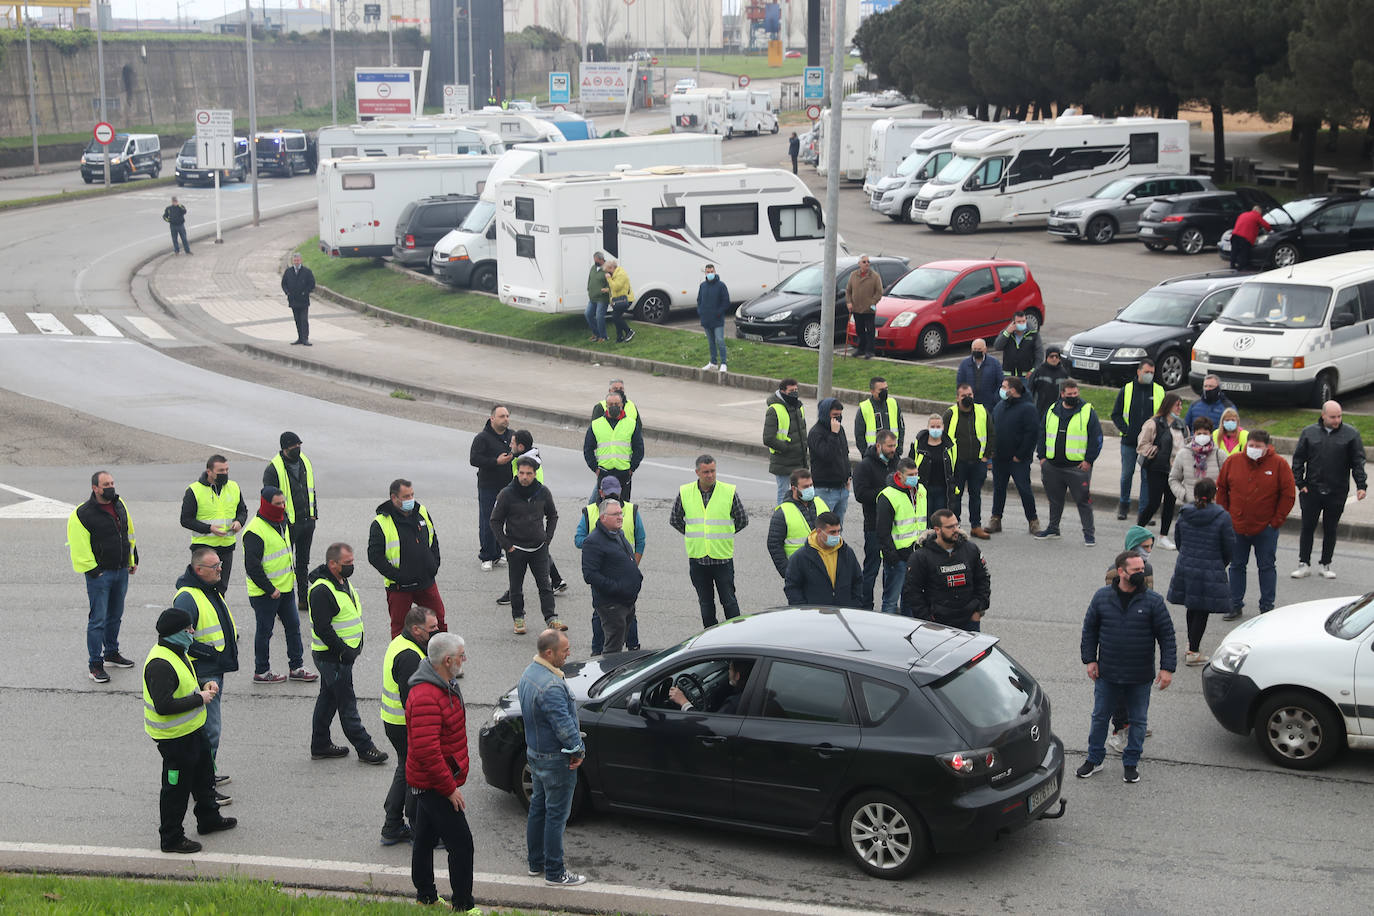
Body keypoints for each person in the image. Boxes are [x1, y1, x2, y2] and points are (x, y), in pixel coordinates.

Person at [1076, 551, 1176, 784]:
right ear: (1121, 572)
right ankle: (1094, 759)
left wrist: (1167, 668)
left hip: (1139, 676)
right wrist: (1090, 660)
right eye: (1136, 571)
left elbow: (1167, 636)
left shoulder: (1154, 601)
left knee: (1139, 721)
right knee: (1100, 717)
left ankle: (1131, 763)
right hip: (1107, 673)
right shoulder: (1102, 597)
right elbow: (1089, 630)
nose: (1141, 574)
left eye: (1143, 570)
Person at [143, 606, 236, 853]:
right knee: (176, 790)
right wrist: (200, 699)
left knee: (204, 777)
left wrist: (204, 685)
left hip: (193, 730)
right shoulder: (160, 664)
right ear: (175, 633)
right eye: (188, 629)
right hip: (174, 739)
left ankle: (209, 818)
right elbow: (164, 705)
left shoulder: (178, 651)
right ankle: (171, 838)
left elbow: (186, 685)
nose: (192, 632)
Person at [406, 632, 480, 914]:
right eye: (462, 655)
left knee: (424, 838)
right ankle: (463, 905)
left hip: (432, 781)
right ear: (448, 661)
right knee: (462, 844)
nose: (465, 660)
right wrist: (449, 788)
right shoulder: (427, 695)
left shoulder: (443, 682)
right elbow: (427, 751)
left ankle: (425, 896)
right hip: (434, 783)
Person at [308, 542, 389, 765]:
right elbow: (323, 629)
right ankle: (365, 747)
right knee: (346, 702)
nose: (352, 566)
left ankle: (320, 744)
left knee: (328, 699)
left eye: (352, 562)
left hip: (342, 656)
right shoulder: (322, 590)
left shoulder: (342, 582)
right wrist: (344, 651)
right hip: (332, 657)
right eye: (347, 563)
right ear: (332, 563)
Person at [519, 629, 589, 888]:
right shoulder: (551, 686)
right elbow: (564, 727)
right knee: (556, 815)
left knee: (538, 808)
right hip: (555, 760)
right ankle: (555, 872)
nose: (568, 653)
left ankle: (536, 863)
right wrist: (578, 751)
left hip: (535, 754)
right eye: (564, 650)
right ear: (549, 653)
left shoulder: (530, 673)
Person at [172, 547, 240, 805]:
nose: (220, 569)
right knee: (209, 731)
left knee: (209, 730)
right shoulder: (188, 597)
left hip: (214, 669)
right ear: (199, 570)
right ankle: (204, 784)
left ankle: (206, 773)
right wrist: (210, 654)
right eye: (215, 567)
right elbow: (181, 639)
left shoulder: (208, 589)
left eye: (220, 564)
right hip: (204, 673)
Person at [1216, 430, 1295, 620]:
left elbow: (1288, 495)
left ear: (1267, 447)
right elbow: (1222, 490)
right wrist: (1226, 517)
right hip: (1237, 526)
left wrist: (1275, 522)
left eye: (1258, 446)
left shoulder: (1279, 464)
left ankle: (1267, 606)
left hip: (1266, 529)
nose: (1253, 449)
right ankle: (1234, 604)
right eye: (1251, 445)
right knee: (1236, 566)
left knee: (1267, 566)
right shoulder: (1233, 462)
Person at [68, 470, 138, 683]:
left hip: (121, 570)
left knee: (115, 616)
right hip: (100, 575)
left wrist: (132, 559)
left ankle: (111, 653)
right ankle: (95, 664)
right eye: (106, 484)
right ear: (95, 488)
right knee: (98, 620)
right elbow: (79, 547)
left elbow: (128, 533)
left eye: (112, 483)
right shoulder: (82, 513)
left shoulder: (119, 504)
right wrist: (94, 571)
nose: (111, 487)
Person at [380, 605, 438, 847]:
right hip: (405, 724)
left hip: (396, 721)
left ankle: (392, 825)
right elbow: (412, 700)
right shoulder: (409, 657)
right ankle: (417, 829)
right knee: (416, 775)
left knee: (405, 770)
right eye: (432, 628)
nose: (437, 631)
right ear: (416, 630)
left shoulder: (404, 644)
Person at [1291, 400, 1368, 579]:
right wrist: (1300, 483)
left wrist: (1361, 485)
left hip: (1337, 490)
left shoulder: (1351, 434)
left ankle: (1325, 564)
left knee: (1331, 528)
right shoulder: (1309, 433)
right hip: (1311, 490)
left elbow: (1358, 462)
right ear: (1323, 415)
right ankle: (1304, 563)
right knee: (1307, 526)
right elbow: (1298, 459)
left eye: (1339, 416)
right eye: (1333, 417)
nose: (1336, 420)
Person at [670, 454, 749, 628]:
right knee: (706, 604)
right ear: (697, 472)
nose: (710, 475)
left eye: (713, 471)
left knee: (729, 602)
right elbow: (675, 519)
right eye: (706, 472)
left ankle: (737, 636)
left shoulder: (728, 491)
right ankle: (710, 640)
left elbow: (742, 519)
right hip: (698, 559)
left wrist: (725, 533)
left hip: (722, 558)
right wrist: (695, 534)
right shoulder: (685, 492)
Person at [243, 486, 311, 685]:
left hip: (285, 588)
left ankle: (296, 666)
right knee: (265, 632)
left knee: (293, 627)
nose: (282, 507)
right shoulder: (254, 531)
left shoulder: (283, 522)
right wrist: (269, 589)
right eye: (277, 504)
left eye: (283, 503)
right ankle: (261, 671)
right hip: (265, 593)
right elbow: (252, 567)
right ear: (266, 504)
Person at [1168, 479, 1236, 667]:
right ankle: (1193, 650)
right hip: (1210, 567)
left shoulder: (1185, 513)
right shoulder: (1222, 517)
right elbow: (1229, 546)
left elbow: (1179, 539)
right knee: (1202, 610)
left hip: (1186, 564)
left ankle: (1192, 644)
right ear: (1215, 494)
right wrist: (1220, 563)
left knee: (1192, 606)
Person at [574, 476, 643, 655]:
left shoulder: (617, 533)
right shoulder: (593, 541)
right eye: (616, 515)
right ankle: (605, 677)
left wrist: (636, 577)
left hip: (626, 601)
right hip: (611, 604)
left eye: (621, 513)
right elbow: (590, 575)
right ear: (603, 517)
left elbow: (632, 552)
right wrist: (616, 587)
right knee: (612, 651)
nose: (621, 517)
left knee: (620, 647)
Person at [492, 457, 561, 636]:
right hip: (516, 549)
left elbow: (552, 516)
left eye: (528, 474)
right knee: (516, 587)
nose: (524, 477)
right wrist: (507, 545)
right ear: (517, 472)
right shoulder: (506, 494)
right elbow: (495, 521)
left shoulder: (543, 492)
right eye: (521, 473)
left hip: (539, 548)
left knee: (545, 585)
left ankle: (551, 618)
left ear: (535, 474)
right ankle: (518, 619)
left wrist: (547, 539)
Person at [368, 479, 445, 638]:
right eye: (406, 496)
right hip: (399, 587)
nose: (411, 500)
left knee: (438, 622)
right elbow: (374, 556)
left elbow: (432, 538)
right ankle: (402, 660)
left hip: (426, 581)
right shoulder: (381, 523)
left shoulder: (421, 511)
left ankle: (440, 656)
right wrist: (399, 576)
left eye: (412, 495)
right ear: (394, 498)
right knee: (400, 629)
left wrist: (433, 564)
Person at [499, 430, 568, 599]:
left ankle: (513, 593)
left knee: (526, 554)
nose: (510, 445)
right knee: (538, 550)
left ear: (520, 446)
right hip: (528, 513)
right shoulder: (525, 460)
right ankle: (557, 581)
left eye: (512, 443)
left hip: (528, 513)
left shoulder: (526, 465)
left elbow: (528, 489)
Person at [1035, 379, 1104, 546]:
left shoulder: (1088, 411)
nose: (1074, 396)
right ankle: (1053, 528)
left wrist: (1089, 460)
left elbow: (1097, 438)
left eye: (1076, 393)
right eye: (1070, 394)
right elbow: (1042, 433)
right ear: (1062, 394)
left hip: (1077, 468)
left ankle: (1089, 535)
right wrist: (1042, 458)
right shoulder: (1052, 410)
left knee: (1083, 501)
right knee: (1055, 500)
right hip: (1052, 466)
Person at [902, 509, 991, 629]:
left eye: (956, 525)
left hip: (969, 620)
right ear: (937, 530)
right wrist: (927, 620)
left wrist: (978, 611)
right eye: (950, 527)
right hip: (937, 624)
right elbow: (912, 591)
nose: (956, 530)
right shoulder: (921, 557)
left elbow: (983, 579)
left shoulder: (971, 549)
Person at [180, 455, 246, 596]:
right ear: (209, 471)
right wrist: (209, 529)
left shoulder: (233, 487)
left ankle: (217, 615)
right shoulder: (194, 490)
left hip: (227, 548)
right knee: (202, 588)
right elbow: (185, 520)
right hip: (204, 548)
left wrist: (239, 522)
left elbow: (242, 510)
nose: (225, 473)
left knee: (221, 589)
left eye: (227, 470)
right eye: (221, 470)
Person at [264, 431, 317, 608]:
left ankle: (303, 599)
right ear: (285, 448)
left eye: (299, 445)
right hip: (288, 524)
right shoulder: (274, 468)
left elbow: (311, 489)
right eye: (294, 446)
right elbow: (269, 499)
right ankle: (283, 604)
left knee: (303, 563)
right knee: (285, 565)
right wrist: (281, 522)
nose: (298, 448)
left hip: (307, 521)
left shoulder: (305, 461)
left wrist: (313, 513)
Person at [1111, 360, 1164, 520]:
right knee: (1127, 474)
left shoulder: (1159, 391)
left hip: (1149, 444)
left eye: (1152, 373)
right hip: (1129, 442)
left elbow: (1163, 417)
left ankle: (1144, 511)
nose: (1149, 375)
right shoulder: (1126, 390)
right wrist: (1127, 431)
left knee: (1147, 478)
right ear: (1139, 371)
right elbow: (1116, 414)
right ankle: (1123, 505)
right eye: (1147, 372)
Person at [853, 430, 898, 610]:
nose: (893, 449)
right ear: (879, 446)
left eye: (894, 445)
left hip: (894, 527)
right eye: (890, 446)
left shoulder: (896, 462)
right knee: (871, 568)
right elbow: (861, 494)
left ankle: (890, 605)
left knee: (892, 568)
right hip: (874, 525)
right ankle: (866, 606)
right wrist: (885, 493)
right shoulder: (865, 466)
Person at [989, 378, 1040, 535]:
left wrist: (1021, 455)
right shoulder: (1000, 406)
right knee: (999, 489)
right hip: (999, 457)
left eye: (1004, 387)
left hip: (1018, 460)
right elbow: (992, 429)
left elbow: (1032, 434)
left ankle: (1033, 521)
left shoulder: (1028, 408)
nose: (1002, 389)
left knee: (1024, 490)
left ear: (1013, 390)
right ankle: (996, 519)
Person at [944, 382, 995, 539]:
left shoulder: (981, 411)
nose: (967, 398)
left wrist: (986, 457)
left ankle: (976, 526)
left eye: (970, 395)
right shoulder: (950, 414)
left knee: (976, 495)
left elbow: (991, 434)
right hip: (957, 464)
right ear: (957, 398)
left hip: (977, 462)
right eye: (964, 396)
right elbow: (944, 438)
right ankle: (955, 528)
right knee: (955, 497)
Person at [876, 457, 927, 615]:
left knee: (911, 599)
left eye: (916, 474)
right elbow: (882, 531)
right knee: (891, 601)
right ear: (899, 475)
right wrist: (892, 557)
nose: (915, 478)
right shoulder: (888, 496)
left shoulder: (921, 490)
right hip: (897, 557)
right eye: (910, 474)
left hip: (917, 555)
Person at [1169, 417, 1225, 550]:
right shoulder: (1183, 454)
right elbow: (1173, 479)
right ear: (1194, 433)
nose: (1202, 437)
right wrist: (1185, 495)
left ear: (1211, 434)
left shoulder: (1219, 454)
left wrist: (1218, 497)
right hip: (1191, 508)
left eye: (1205, 434)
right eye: (1199, 433)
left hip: (1214, 510)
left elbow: (1229, 481)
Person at [1135, 393, 1186, 541]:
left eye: (1181, 405)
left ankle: (1163, 536)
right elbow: (1142, 445)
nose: (1180, 408)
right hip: (1157, 468)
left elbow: (1185, 443)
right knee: (1154, 502)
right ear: (1168, 405)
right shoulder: (1153, 423)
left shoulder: (1180, 424)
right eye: (1177, 405)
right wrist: (1155, 451)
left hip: (1175, 470)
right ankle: (1138, 530)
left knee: (1170, 503)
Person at [470, 404, 514, 571]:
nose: (506, 419)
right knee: (488, 520)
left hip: (508, 486)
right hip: (488, 485)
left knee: (503, 520)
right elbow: (474, 459)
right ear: (492, 418)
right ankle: (487, 555)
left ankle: (498, 553)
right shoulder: (482, 438)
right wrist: (496, 462)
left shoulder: (512, 436)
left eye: (507, 416)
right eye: (502, 416)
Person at [784, 511, 861, 606]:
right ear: (819, 532)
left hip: (843, 613)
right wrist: (803, 610)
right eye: (832, 532)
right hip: (814, 616)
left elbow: (858, 581)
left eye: (838, 531)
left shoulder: (847, 553)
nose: (837, 536)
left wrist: (854, 604)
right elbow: (792, 587)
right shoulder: (801, 557)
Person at [583, 389, 644, 501]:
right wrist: (595, 468)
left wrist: (632, 468)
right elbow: (588, 449)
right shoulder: (596, 424)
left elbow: (639, 449)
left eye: (617, 404)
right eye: (611, 404)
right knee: (602, 507)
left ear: (622, 405)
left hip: (624, 473)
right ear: (606, 406)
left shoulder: (631, 424)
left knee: (623, 508)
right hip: (604, 472)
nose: (614, 406)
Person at [767, 468, 827, 577]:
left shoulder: (820, 503)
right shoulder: (783, 512)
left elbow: (834, 532)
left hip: (824, 568)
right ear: (794, 488)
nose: (810, 489)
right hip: (799, 571)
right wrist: (787, 571)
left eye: (811, 485)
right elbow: (774, 544)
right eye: (805, 487)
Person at [763, 378, 809, 505]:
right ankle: (782, 520)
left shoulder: (798, 407)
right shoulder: (774, 410)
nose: (795, 392)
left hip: (799, 460)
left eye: (796, 390)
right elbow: (768, 438)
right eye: (791, 390)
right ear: (782, 391)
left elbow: (802, 431)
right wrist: (786, 448)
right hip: (783, 461)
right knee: (784, 494)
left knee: (801, 494)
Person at [807, 397, 852, 519]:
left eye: (840, 415)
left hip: (842, 488)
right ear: (826, 415)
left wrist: (848, 476)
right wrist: (833, 434)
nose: (838, 418)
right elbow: (827, 455)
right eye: (834, 415)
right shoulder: (816, 433)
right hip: (825, 490)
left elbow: (844, 454)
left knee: (837, 527)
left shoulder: (839, 429)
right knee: (824, 526)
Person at [669, 659, 752, 714]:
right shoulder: (753, 693)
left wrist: (683, 702)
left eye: (730, 669)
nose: (729, 673)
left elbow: (710, 726)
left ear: (737, 676)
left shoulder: (734, 703)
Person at [911, 413, 956, 514]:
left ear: (943, 427)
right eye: (932, 427)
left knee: (939, 517)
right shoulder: (919, 445)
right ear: (928, 427)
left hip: (942, 489)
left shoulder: (949, 446)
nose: (935, 429)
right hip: (924, 489)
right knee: (925, 516)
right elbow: (911, 464)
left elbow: (954, 467)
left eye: (938, 426)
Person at [846, 255, 885, 359]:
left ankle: (870, 350)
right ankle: (861, 349)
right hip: (856, 308)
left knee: (870, 330)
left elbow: (879, 292)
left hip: (869, 308)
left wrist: (872, 302)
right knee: (859, 329)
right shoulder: (853, 275)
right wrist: (849, 302)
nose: (867, 263)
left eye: (868, 261)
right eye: (864, 262)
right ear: (859, 264)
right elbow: (848, 290)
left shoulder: (874, 276)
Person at [855, 376, 904, 455]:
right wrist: (866, 455)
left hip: (893, 454)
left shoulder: (893, 404)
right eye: (881, 390)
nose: (884, 392)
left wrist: (899, 449)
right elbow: (859, 435)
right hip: (873, 456)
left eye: (886, 389)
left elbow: (901, 428)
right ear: (872, 391)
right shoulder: (864, 408)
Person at [697, 263, 732, 371]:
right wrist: (701, 312)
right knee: (711, 341)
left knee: (720, 340)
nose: (710, 274)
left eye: (712, 271)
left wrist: (718, 312)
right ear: (705, 273)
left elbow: (726, 302)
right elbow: (699, 300)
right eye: (708, 272)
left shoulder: (721, 285)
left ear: (715, 272)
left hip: (717, 319)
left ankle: (724, 363)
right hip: (706, 319)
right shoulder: (703, 286)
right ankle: (713, 362)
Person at [956, 339, 1004, 412]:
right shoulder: (964, 364)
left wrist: (995, 398)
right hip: (970, 404)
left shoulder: (994, 363)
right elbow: (960, 383)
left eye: (979, 349)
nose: (977, 351)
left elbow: (1000, 382)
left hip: (989, 405)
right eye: (974, 349)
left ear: (985, 349)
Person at [995, 311, 1044, 379]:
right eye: (1019, 322)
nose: (1021, 323)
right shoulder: (1007, 333)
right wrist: (1007, 333)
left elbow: (1040, 355)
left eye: (1023, 321)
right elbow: (997, 346)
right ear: (1013, 322)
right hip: (1009, 376)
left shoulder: (1033, 334)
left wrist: (1033, 370)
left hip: (1026, 376)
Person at [280, 252, 316, 346]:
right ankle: (300, 338)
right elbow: (284, 283)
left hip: (303, 300)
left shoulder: (307, 271)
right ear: (293, 261)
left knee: (304, 319)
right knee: (297, 320)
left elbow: (312, 284)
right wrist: (287, 292)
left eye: (298, 260)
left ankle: (305, 338)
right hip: (293, 300)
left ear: (301, 260)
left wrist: (305, 292)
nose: (296, 262)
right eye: (295, 260)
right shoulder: (288, 272)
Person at [1028, 346, 1070, 416]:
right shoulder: (1038, 372)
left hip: (1057, 411)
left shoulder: (1063, 373)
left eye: (1057, 356)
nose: (1054, 359)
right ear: (1047, 357)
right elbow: (1030, 390)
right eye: (1051, 356)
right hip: (1039, 410)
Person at [1230, 205, 1272, 270]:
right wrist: (1270, 230)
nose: (1261, 214)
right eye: (1261, 212)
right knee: (1244, 253)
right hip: (1245, 237)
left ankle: (1232, 265)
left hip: (1235, 235)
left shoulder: (1243, 214)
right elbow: (1266, 226)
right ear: (1258, 211)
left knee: (1234, 251)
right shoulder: (1257, 215)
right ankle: (1241, 268)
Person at [604, 257, 635, 344]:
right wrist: (608, 290)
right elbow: (614, 288)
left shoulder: (621, 274)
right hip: (618, 300)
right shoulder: (615, 274)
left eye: (608, 270)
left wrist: (609, 279)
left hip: (626, 300)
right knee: (616, 317)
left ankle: (629, 331)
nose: (607, 273)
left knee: (615, 317)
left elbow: (616, 287)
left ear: (612, 268)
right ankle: (619, 337)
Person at [584, 251, 610, 342]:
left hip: (602, 299)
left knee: (599, 317)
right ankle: (596, 334)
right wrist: (588, 288)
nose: (595, 262)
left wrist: (605, 289)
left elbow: (610, 284)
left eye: (596, 260)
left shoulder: (607, 268)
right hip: (592, 298)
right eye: (594, 260)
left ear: (601, 259)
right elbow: (590, 279)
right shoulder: (593, 268)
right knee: (588, 314)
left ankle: (604, 337)